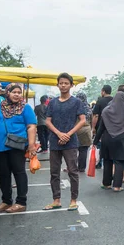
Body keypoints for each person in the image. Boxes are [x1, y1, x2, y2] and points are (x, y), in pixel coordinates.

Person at [0, 83, 37, 213]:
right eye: (14, 92)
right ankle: (6, 201)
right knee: (4, 174)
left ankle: (21, 202)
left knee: (19, 172)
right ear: (7, 93)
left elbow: (31, 126)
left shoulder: (26, 108)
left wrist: (31, 145)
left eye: (19, 92)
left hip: (17, 146)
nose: (17, 94)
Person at [44, 73, 86, 211]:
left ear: (71, 85)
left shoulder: (76, 102)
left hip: (71, 141)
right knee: (54, 172)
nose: (63, 85)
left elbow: (82, 120)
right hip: (55, 141)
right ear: (57, 85)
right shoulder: (52, 102)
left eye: (66, 83)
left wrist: (68, 134)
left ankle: (73, 200)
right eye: (61, 83)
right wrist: (59, 133)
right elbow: (47, 121)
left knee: (73, 171)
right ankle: (56, 200)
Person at [93, 91, 124, 192]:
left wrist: (95, 141)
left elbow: (101, 128)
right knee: (119, 162)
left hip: (107, 138)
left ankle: (106, 183)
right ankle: (117, 186)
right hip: (121, 139)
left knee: (107, 160)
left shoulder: (106, 111)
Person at [92, 85, 113, 169]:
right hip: (112, 127)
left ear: (103, 91)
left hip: (101, 126)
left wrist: (93, 127)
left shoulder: (100, 101)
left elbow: (96, 115)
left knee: (100, 144)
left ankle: (99, 162)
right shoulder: (114, 100)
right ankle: (109, 161)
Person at [75, 92, 93, 174]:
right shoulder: (88, 108)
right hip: (87, 129)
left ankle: (72, 166)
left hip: (76, 129)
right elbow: (92, 120)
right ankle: (82, 168)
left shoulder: (75, 107)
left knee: (73, 149)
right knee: (84, 149)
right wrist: (92, 129)